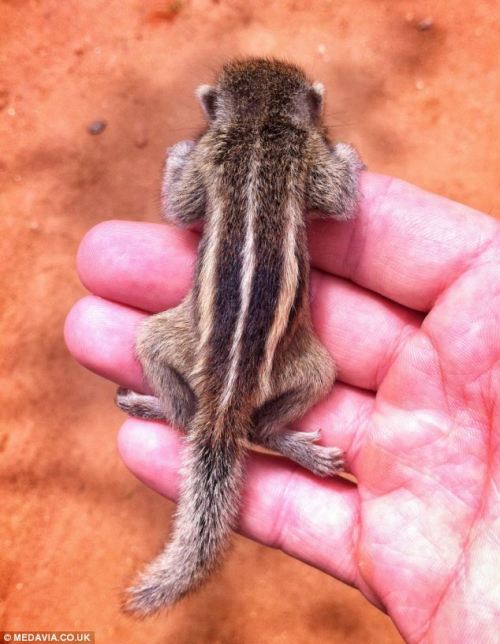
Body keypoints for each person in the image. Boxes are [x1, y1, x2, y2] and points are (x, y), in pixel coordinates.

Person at [65, 172, 500, 641]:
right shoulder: (308, 163)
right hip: (271, 359)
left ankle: (206, 420)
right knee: (314, 374)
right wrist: (345, 160)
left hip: (212, 346)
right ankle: (235, 426)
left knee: (153, 341)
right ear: (309, 111)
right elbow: (337, 196)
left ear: (215, 115)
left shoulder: (213, 162)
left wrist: (179, 160)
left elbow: (179, 204)